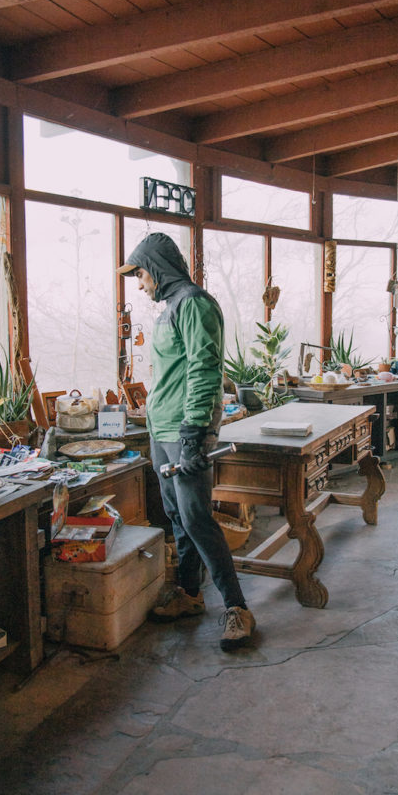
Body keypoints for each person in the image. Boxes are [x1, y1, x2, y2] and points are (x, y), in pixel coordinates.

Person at [118, 231, 256, 651]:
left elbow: (205, 369)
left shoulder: (194, 303)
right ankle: (190, 595)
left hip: (184, 431)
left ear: (156, 268)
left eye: (140, 274)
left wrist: (196, 432)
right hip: (161, 430)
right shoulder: (169, 309)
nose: (139, 284)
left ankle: (236, 608)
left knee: (197, 517)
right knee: (177, 515)